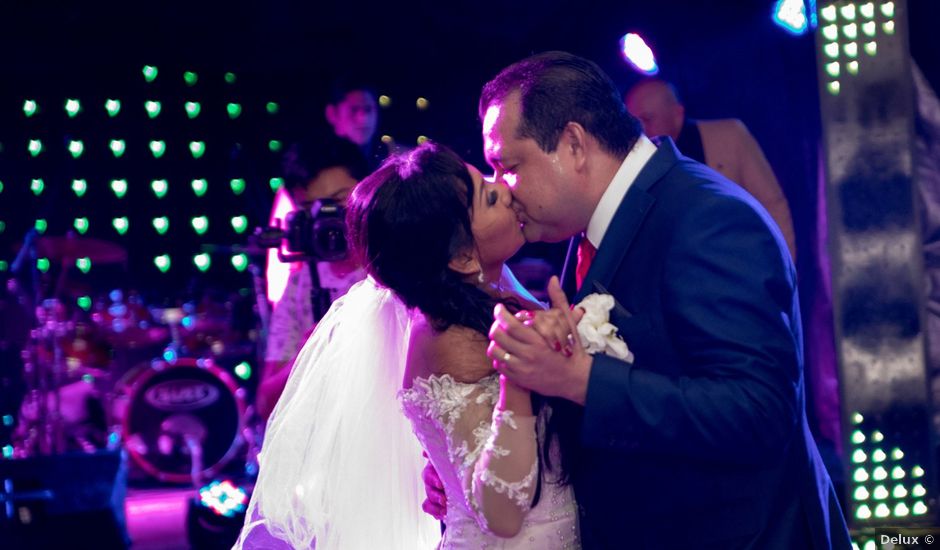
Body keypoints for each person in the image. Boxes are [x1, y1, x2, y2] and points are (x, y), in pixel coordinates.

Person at [470, 51, 850, 549]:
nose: (505, 189)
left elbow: (760, 411)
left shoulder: (707, 219)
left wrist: (585, 380)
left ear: (573, 144)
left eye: (509, 165)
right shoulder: (594, 225)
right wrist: (478, 463)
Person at [236, 141, 581, 549]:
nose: (505, 188)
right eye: (489, 196)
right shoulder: (452, 338)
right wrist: (519, 376)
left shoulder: (490, 294)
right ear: (462, 258)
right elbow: (502, 512)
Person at [257, 137, 369, 420]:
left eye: (338, 200)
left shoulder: (395, 269)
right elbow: (266, 402)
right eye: (311, 209)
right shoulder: (300, 285)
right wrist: (310, 352)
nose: (327, 218)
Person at [625, 78, 797, 260]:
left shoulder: (730, 136)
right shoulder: (633, 163)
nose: (641, 131)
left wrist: (786, 270)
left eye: (648, 119)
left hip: (741, 268)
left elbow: (772, 203)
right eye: (634, 123)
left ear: (677, 114)